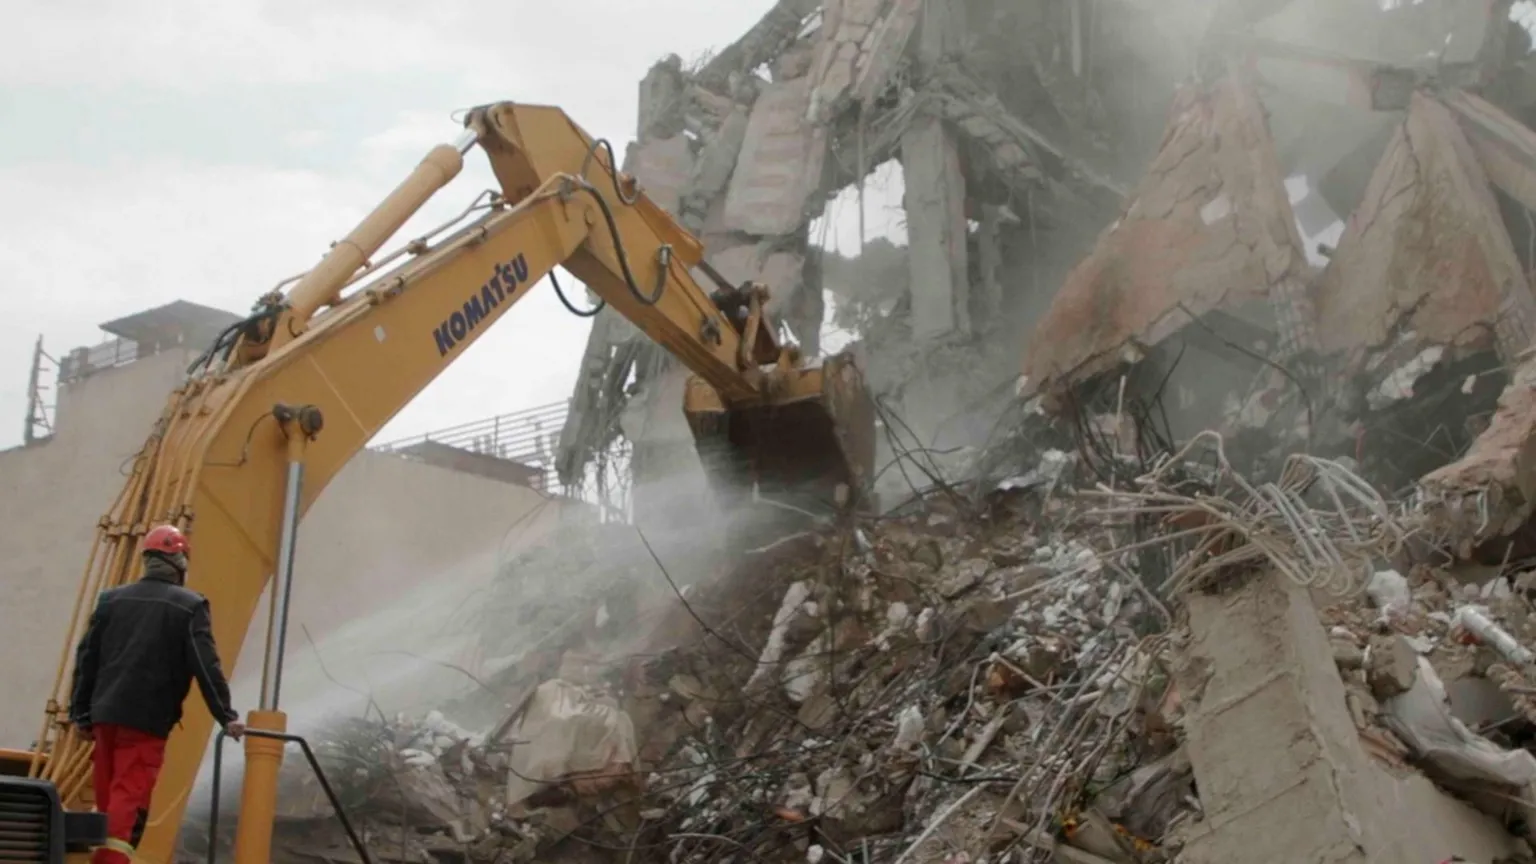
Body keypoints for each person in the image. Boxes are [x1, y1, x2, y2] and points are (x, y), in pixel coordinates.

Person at [69, 524, 246, 864]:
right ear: (181, 564)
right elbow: (205, 665)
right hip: (146, 722)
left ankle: (101, 857)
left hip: (104, 717)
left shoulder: (111, 600)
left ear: (146, 560)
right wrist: (226, 716)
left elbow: (87, 658)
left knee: (107, 797)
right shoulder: (190, 606)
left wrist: (81, 714)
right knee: (129, 798)